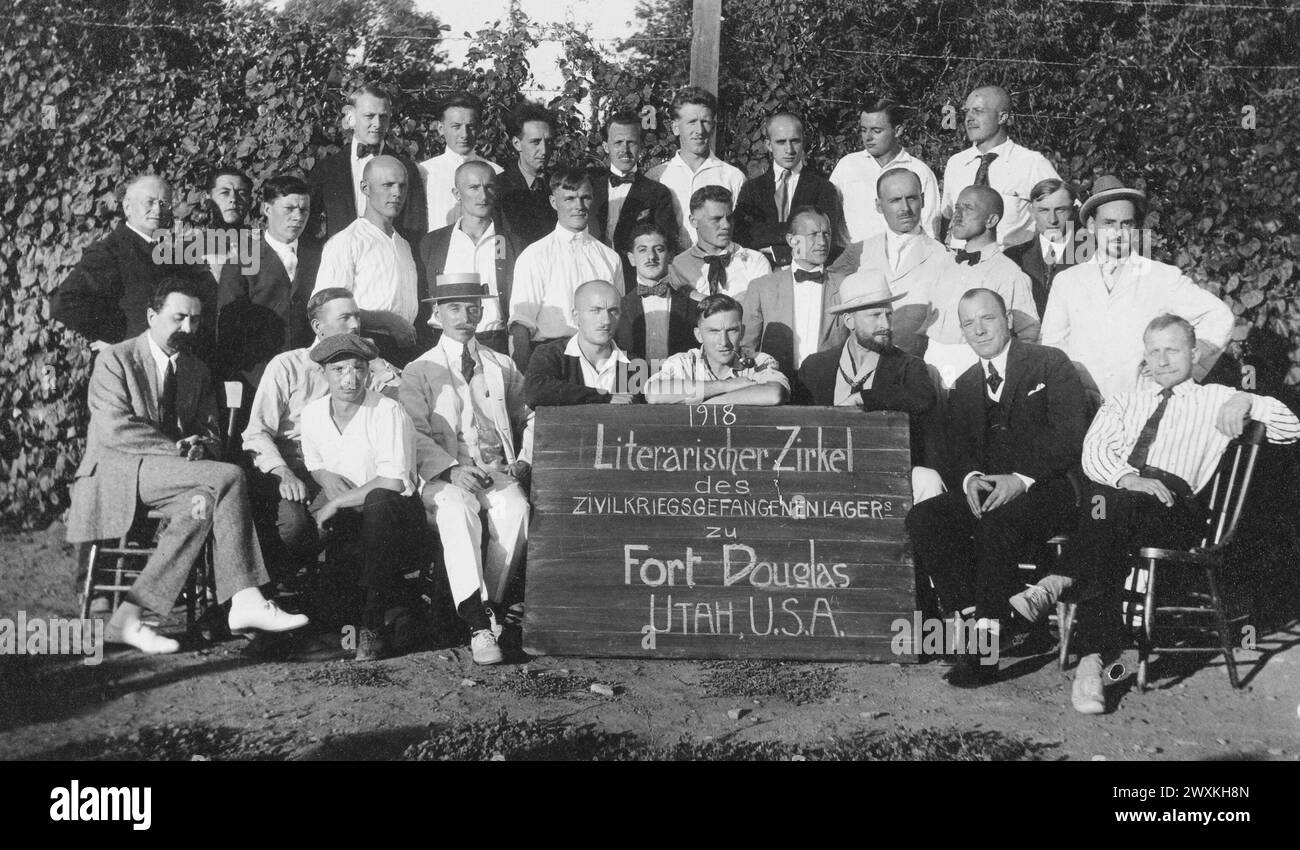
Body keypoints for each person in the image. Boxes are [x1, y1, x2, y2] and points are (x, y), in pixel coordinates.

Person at [1010, 315, 1300, 714]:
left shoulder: (1215, 396)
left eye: (1173, 350)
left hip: (1176, 510)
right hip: (1120, 497)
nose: (1163, 360)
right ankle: (1092, 664)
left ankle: (1060, 583)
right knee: (1110, 511)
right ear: (1145, 355)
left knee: (1106, 515)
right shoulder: (1124, 400)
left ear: (1194, 353)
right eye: (1155, 351)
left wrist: (1249, 400)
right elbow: (1095, 453)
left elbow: (1291, 428)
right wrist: (1128, 478)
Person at [65, 278, 309, 654]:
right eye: (178, 318)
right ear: (151, 316)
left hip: (173, 478)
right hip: (118, 471)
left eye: (194, 320)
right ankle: (245, 599)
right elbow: (116, 429)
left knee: (203, 505)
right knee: (229, 476)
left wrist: (201, 446)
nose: (187, 329)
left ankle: (132, 614)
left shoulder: (196, 370)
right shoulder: (115, 359)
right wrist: (176, 450)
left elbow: (211, 432)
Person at [904, 288, 1088, 683]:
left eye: (987, 318)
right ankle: (974, 618)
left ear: (1007, 319)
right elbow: (961, 449)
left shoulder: (1048, 363)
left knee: (996, 521)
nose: (979, 330)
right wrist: (970, 479)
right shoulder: (968, 383)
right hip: (994, 492)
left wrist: (1020, 480)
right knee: (926, 517)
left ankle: (984, 651)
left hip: (1052, 488)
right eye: (968, 323)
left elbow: (1071, 436)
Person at [400, 274, 533, 665]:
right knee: (458, 511)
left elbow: (530, 416)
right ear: (436, 313)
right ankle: (477, 624)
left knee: (517, 510)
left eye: (473, 307)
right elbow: (414, 432)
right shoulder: (419, 369)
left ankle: (487, 607)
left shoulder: (501, 365)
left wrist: (523, 457)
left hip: (493, 472)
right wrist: (450, 468)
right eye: (454, 308)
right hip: (443, 478)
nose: (465, 316)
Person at [241, 288, 401, 589]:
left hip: (343, 465)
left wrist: (379, 363)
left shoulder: (363, 368)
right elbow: (256, 432)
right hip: (289, 465)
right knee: (295, 527)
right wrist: (283, 472)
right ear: (318, 327)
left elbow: (404, 402)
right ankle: (270, 588)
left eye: (357, 316)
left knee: (361, 511)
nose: (355, 325)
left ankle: (336, 596)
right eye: (345, 318)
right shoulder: (288, 365)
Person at [1041, 175, 1233, 401]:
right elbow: (1052, 348)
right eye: (1108, 223)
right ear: (1092, 226)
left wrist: (1180, 362)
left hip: (1144, 404)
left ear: (1136, 228)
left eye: (1126, 224)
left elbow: (1220, 316)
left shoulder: (1161, 276)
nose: (1118, 233)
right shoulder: (1067, 282)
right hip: (1084, 406)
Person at [300, 333, 424, 661]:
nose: (349, 378)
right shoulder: (312, 414)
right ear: (322, 374)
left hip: (395, 514)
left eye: (357, 369)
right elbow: (315, 464)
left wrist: (339, 500)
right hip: (346, 512)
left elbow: (394, 482)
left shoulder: (386, 410)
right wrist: (325, 479)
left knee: (377, 504)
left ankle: (372, 623)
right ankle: (338, 626)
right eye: (339, 369)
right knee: (303, 528)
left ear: (368, 372)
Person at [797, 269, 944, 502]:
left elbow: (923, 397)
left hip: (886, 472)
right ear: (849, 320)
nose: (886, 324)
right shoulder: (816, 366)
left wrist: (864, 398)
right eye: (875, 315)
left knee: (928, 480)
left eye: (888, 314)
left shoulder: (908, 366)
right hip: (827, 473)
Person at [52, 174, 203, 350]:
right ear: (127, 207)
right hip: (132, 363)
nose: (157, 210)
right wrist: (115, 339)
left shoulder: (165, 251)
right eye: (149, 202)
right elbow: (63, 303)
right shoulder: (109, 251)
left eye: (163, 204)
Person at [922, 185, 1039, 388]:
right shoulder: (945, 264)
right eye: (956, 208)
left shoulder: (1009, 273)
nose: (957, 216)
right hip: (931, 362)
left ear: (991, 220)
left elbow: (1028, 335)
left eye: (968, 208)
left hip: (975, 367)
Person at [508, 168, 626, 370]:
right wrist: (526, 376)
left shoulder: (610, 257)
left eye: (585, 198)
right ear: (554, 203)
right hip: (551, 357)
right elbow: (521, 323)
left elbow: (619, 321)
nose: (578, 206)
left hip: (601, 357)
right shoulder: (534, 255)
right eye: (569, 199)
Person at [314, 155, 422, 366]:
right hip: (364, 349)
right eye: (388, 185)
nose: (396, 193)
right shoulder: (346, 241)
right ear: (365, 188)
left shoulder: (404, 245)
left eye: (402, 186)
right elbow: (326, 306)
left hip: (405, 349)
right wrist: (388, 321)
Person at [217, 174, 320, 391]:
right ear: (267, 209)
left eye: (304, 210)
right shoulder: (241, 261)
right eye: (289, 208)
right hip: (257, 380)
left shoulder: (320, 256)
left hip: (311, 376)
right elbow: (228, 330)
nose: (298, 217)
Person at [829, 168, 946, 356]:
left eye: (912, 198)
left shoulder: (943, 257)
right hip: (863, 364)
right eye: (895, 200)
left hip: (915, 365)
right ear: (878, 205)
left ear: (922, 199)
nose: (905, 208)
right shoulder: (857, 251)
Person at [739, 207, 847, 403]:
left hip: (830, 390)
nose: (822, 242)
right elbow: (747, 347)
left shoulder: (845, 284)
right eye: (813, 235)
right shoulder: (762, 287)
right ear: (791, 240)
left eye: (826, 234)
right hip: (777, 388)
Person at [417, 160, 524, 355]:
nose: (483, 195)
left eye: (489, 187)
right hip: (443, 344)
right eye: (474, 187)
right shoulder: (434, 242)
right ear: (457, 194)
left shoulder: (512, 244)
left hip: (495, 343)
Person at [939, 85, 1060, 248]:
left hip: (1011, 264)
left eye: (978, 111)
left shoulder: (1031, 163)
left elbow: (1067, 212)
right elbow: (946, 217)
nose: (969, 118)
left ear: (1002, 117)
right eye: (967, 111)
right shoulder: (956, 163)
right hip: (960, 266)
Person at [306, 83, 427, 243]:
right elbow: (309, 223)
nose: (377, 124)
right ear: (350, 118)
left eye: (383, 117)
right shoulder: (327, 168)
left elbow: (415, 226)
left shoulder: (406, 168)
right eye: (369, 116)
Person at [734, 111, 843, 266]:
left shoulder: (823, 188)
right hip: (759, 272)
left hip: (807, 271)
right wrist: (799, 232)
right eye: (781, 142)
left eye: (795, 141)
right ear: (768, 145)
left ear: (803, 142)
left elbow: (824, 240)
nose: (789, 149)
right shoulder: (751, 189)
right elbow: (745, 235)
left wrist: (776, 250)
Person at [830, 96, 940, 242]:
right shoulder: (847, 165)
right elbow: (828, 215)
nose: (868, 137)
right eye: (863, 130)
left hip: (904, 260)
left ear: (898, 130)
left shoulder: (920, 171)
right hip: (853, 260)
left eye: (876, 130)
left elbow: (930, 231)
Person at [646, 86, 745, 249]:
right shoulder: (657, 177)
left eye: (705, 122)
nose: (699, 130)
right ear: (675, 127)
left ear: (713, 126)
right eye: (691, 122)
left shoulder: (733, 177)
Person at [646, 293, 789, 405]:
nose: (724, 342)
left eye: (732, 330)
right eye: (714, 331)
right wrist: (727, 386)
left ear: (743, 332)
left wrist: (709, 405)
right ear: (699, 335)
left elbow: (774, 393)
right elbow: (654, 393)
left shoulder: (759, 361)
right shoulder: (683, 363)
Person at [587, 109, 678, 278]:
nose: (625, 149)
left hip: (633, 279)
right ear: (606, 146)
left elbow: (666, 242)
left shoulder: (657, 193)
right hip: (590, 273)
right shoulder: (588, 187)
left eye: (631, 142)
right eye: (618, 142)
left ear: (641, 146)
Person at [525, 280, 639, 406]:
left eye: (613, 311)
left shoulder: (634, 364)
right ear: (575, 316)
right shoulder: (551, 354)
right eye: (596, 310)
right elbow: (535, 392)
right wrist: (603, 397)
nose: (606, 320)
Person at [668, 186, 770, 304]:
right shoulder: (679, 265)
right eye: (716, 219)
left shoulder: (755, 261)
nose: (726, 225)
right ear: (693, 221)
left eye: (729, 218)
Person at [417, 92, 503, 231]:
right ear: (440, 128)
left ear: (480, 128)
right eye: (456, 126)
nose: (464, 134)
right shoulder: (424, 172)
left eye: (471, 126)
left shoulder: (496, 172)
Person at [614, 224, 697, 364]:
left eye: (659, 249)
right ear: (631, 258)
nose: (651, 257)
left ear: (670, 256)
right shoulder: (617, 308)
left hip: (681, 383)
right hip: (631, 382)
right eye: (642, 250)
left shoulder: (693, 308)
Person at [1001, 178, 1079, 318]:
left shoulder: (1091, 255)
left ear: (1073, 211)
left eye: (1060, 210)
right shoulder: (1013, 257)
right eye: (1043, 210)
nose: (1052, 220)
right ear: (1032, 212)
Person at [495, 101, 557, 245]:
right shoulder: (497, 186)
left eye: (548, 142)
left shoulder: (560, 184)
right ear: (517, 144)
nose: (544, 150)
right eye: (535, 142)